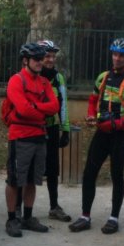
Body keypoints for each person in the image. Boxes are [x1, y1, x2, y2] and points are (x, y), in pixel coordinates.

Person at [68, 38, 124, 234]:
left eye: (121, 55)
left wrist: (116, 123)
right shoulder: (103, 77)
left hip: (121, 135)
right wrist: (90, 115)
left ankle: (113, 218)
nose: (117, 58)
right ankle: (85, 216)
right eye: (114, 54)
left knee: (116, 174)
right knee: (89, 173)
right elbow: (93, 99)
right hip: (102, 132)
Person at [3, 43, 59, 238]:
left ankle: (27, 217)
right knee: (14, 179)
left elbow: (54, 107)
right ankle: (12, 219)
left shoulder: (44, 82)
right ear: (25, 60)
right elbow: (22, 108)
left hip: (39, 136)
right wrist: (39, 109)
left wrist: (33, 107)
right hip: (20, 137)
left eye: (41, 59)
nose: (40, 63)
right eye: (36, 59)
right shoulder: (16, 81)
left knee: (32, 180)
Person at [37, 39, 72, 221]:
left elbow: (63, 103)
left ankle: (54, 206)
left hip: (51, 128)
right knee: (28, 170)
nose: (50, 60)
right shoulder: (32, 76)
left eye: (52, 56)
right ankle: (19, 210)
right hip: (33, 129)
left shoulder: (58, 78)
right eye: (46, 56)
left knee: (52, 170)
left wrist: (65, 129)